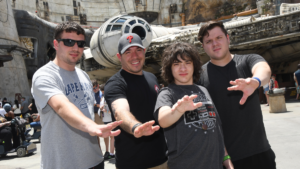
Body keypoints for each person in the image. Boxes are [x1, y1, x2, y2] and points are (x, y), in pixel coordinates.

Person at [31, 21, 122, 169]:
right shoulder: (45, 75)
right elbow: (61, 106)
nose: (75, 48)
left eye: (80, 44)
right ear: (56, 44)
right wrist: (93, 127)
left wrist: (98, 138)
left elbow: (88, 112)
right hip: (63, 164)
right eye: (69, 42)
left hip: (95, 161)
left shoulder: (84, 76)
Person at [197, 21, 276, 169]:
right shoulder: (199, 77)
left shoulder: (247, 60)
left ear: (228, 38)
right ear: (203, 47)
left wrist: (255, 82)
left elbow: (263, 69)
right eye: (208, 41)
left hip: (260, 154)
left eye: (219, 38)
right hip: (225, 160)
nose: (215, 44)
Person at [154, 42, 233, 169]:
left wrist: (227, 161)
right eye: (177, 64)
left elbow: (216, 129)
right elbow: (163, 119)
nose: (183, 68)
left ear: (194, 66)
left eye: (187, 63)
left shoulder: (203, 90)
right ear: (170, 68)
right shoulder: (167, 93)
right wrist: (178, 110)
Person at [105, 33, 168, 169]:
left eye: (138, 50)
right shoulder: (115, 83)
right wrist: (135, 127)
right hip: (133, 164)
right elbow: (120, 111)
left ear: (144, 52)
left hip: (161, 160)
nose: (134, 56)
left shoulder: (152, 78)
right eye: (128, 52)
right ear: (119, 57)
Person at [99, 84, 115, 160]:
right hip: (105, 120)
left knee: (112, 136)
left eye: (103, 92)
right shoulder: (103, 97)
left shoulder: (111, 96)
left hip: (111, 119)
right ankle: (107, 152)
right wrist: (101, 108)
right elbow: (101, 107)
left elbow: (114, 109)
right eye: (102, 92)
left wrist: (107, 111)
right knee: (106, 136)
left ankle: (111, 153)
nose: (103, 93)